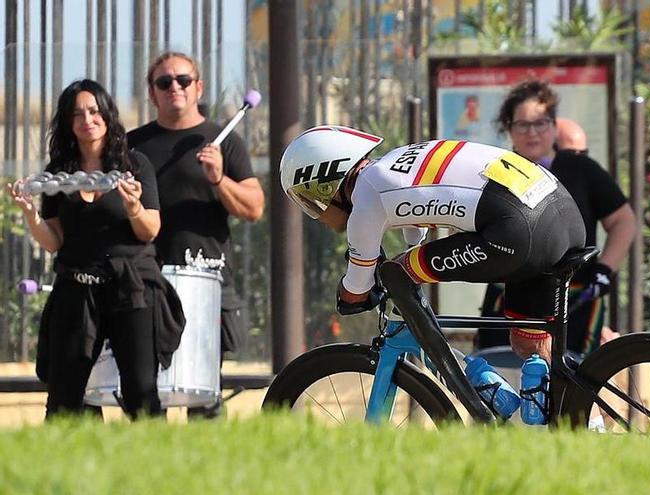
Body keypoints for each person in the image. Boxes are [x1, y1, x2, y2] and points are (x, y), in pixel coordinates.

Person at [280, 125, 587, 422]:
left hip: (520, 230)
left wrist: (350, 297)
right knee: (528, 342)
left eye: (309, 200)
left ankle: (483, 393)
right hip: (559, 213)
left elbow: (356, 288)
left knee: (397, 273)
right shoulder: (393, 165)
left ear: (324, 183)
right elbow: (415, 223)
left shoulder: (366, 198)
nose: (317, 215)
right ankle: (586, 420)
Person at [6, 79, 184, 420]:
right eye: (76, 114)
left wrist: (133, 207)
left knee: (140, 391)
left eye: (93, 111)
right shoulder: (58, 174)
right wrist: (31, 214)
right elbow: (53, 241)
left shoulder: (135, 165)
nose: (86, 119)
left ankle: (157, 464)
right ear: (67, 123)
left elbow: (150, 230)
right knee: (64, 394)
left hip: (131, 284)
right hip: (77, 284)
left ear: (107, 115)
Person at [128, 52, 265, 418]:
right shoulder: (131, 145)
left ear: (198, 87)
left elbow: (254, 208)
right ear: (152, 92)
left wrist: (219, 179)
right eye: (164, 82)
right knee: (144, 397)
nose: (175, 87)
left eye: (184, 80)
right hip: (147, 285)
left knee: (204, 401)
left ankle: (206, 471)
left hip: (207, 282)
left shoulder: (225, 142)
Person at [476, 80, 636, 356]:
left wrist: (605, 271)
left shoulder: (581, 169)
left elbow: (623, 221)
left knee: (572, 389)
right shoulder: (494, 172)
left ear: (553, 125)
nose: (533, 132)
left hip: (573, 302)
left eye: (541, 123)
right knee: (501, 384)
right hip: (508, 303)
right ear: (509, 128)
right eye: (523, 125)